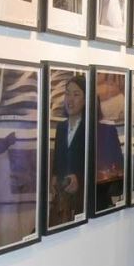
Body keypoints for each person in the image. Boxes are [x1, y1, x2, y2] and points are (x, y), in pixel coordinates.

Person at [51, 75, 87, 226]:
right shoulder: (61, 128)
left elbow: (99, 167)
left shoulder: (91, 129)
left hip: (83, 201)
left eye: (76, 94)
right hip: (62, 200)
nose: (70, 100)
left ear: (85, 99)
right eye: (67, 93)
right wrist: (54, 177)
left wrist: (80, 179)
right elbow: (58, 160)